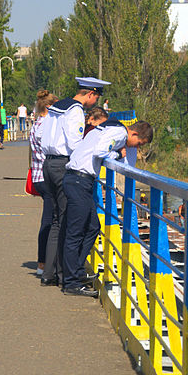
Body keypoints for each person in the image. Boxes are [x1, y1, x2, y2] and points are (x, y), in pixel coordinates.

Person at [61, 119, 154, 296]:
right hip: (78, 179)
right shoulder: (119, 134)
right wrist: (118, 155)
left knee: (92, 227)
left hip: (81, 180)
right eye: (139, 144)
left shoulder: (111, 129)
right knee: (75, 232)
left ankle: (76, 271)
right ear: (133, 134)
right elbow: (100, 152)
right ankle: (70, 283)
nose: (137, 147)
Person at [39, 77, 108, 288]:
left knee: (56, 220)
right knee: (68, 221)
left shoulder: (56, 107)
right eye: (96, 97)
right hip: (63, 166)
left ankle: (49, 273)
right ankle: (66, 275)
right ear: (90, 94)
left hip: (48, 164)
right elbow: (74, 143)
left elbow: (43, 137)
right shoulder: (75, 110)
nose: (95, 103)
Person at [28, 90, 59, 276]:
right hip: (46, 177)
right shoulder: (47, 125)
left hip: (39, 175)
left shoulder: (37, 123)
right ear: (49, 107)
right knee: (49, 221)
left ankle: (44, 262)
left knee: (48, 218)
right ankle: (43, 263)